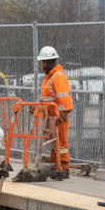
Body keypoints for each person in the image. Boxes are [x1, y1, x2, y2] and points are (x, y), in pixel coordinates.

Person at [38, 46, 73, 180]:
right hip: (53, 117)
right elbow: (47, 99)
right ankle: (56, 166)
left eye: (42, 62)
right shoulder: (51, 76)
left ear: (46, 62)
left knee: (61, 143)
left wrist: (61, 116)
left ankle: (63, 169)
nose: (41, 65)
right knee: (55, 143)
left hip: (58, 117)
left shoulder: (57, 77)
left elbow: (64, 100)